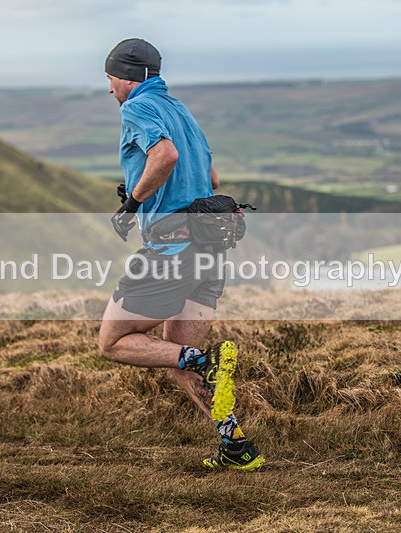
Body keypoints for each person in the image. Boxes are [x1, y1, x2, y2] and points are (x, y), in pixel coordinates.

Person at [97, 38, 265, 471]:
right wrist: (157, 189)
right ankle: (236, 450)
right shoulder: (180, 109)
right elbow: (208, 173)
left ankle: (210, 362)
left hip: (172, 248)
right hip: (210, 247)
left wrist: (133, 202)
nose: (109, 87)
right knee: (177, 355)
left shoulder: (136, 107)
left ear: (126, 76)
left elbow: (165, 155)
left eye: (110, 77)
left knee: (113, 342)